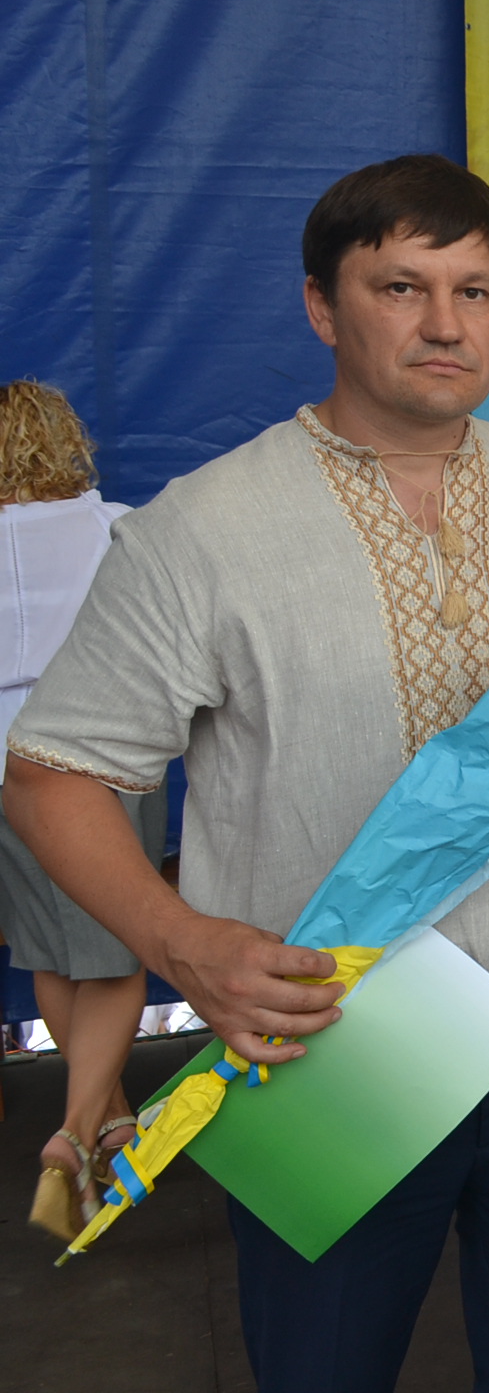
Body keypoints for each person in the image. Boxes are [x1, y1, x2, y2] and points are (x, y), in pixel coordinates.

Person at [3, 155, 489, 1392]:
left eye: (476, 291)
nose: (444, 324)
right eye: (401, 287)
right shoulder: (201, 530)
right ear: (322, 306)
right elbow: (51, 775)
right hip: (331, 1025)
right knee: (326, 1363)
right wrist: (184, 944)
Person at [0, 381, 167, 1240]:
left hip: (6, 770)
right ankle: (76, 1130)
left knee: (53, 954)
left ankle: (109, 1117)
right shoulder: (114, 528)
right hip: (104, 755)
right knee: (116, 949)